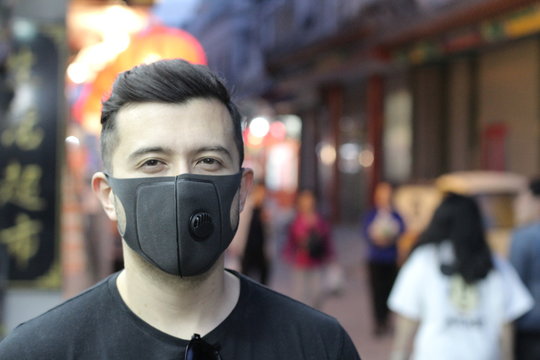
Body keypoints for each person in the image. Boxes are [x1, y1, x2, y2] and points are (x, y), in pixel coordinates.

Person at [0, 59, 361, 359]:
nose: (183, 184)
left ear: (242, 189)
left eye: (208, 161)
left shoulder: (320, 347)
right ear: (108, 195)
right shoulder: (37, 353)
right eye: (153, 162)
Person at [388, 193, 533, 360]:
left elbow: (407, 320)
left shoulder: (425, 259)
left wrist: (398, 355)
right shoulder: (495, 264)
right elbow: (506, 326)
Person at [361, 182, 405, 336]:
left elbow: (402, 229)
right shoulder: (372, 214)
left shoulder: (395, 214)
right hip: (376, 258)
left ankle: (387, 319)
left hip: (391, 258)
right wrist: (377, 238)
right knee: (376, 292)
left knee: (390, 291)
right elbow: (366, 232)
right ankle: (378, 321)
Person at [283, 189, 334, 308]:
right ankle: (303, 318)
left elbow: (327, 239)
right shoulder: (296, 220)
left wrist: (331, 256)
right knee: (300, 293)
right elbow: (291, 240)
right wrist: (289, 253)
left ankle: (315, 316)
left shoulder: (320, 220)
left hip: (316, 261)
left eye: (309, 200)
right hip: (301, 261)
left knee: (317, 292)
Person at [509, 178, 540, 360]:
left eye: (522, 198)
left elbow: (514, 284)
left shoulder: (525, 237)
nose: (516, 205)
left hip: (531, 326)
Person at [240, 181, 270, 285]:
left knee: (263, 279)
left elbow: (272, 232)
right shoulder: (246, 206)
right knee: (245, 278)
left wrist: (268, 221)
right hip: (247, 249)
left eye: (263, 192)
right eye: (260, 192)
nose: (262, 195)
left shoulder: (267, 209)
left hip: (262, 250)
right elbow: (241, 228)